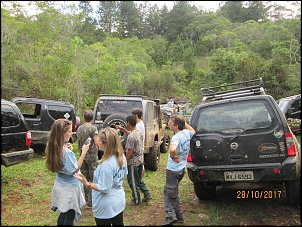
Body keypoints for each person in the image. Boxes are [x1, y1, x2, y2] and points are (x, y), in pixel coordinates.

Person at [74, 127, 128, 226]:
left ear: (106, 144)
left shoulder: (106, 165)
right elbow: (124, 174)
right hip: (118, 200)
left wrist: (87, 183)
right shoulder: (121, 157)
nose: (97, 142)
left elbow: (105, 188)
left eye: (99, 140)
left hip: (105, 206)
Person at [45, 118, 91, 225]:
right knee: (69, 216)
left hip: (60, 184)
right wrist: (83, 152)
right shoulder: (67, 153)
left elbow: (61, 160)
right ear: (62, 133)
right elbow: (75, 170)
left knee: (63, 213)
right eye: (69, 131)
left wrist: (66, 148)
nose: (71, 133)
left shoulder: (52, 146)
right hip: (69, 188)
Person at [162, 114, 196, 225]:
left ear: (176, 126)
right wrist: (184, 122)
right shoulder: (186, 133)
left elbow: (172, 149)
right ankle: (179, 217)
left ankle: (170, 216)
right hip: (181, 169)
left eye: (170, 122)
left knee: (168, 193)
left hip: (173, 170)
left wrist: (173, 156)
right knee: (173, 192)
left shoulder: (177, 137)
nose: (168, 124)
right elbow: (194, 131)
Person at [124, 114, 152, 205]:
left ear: (128, 123)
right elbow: (132, 135)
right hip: (140, 159)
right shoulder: (139, 131)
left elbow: (130, 152)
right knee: (139, 179)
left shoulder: (131, 137)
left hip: (133, 162)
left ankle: (136, 199)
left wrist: (125, 161)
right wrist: (122, 129)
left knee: (133, 181)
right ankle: (147, 193)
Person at [76, 110, 99, 208]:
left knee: (85, 177)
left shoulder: (79, 128)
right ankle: (92, 200)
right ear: (92, 118)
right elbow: (97, 142)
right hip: (92, 157)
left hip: (83, 156)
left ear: (84, 117)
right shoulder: (93, 129)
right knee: (94, 178)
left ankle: (86, 199)